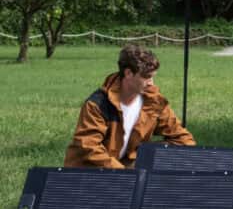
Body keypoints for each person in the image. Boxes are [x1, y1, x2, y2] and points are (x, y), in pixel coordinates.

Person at [64, 44, 195, 168]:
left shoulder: (153, 101)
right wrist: (125, 174)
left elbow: (183, 140)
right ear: (128, 73)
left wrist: (147, 159)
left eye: (152, 77)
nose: (151, 83)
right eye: (146, 77)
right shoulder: (97, 105)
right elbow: (88, 146)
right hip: (88, 174)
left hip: (125, 173)